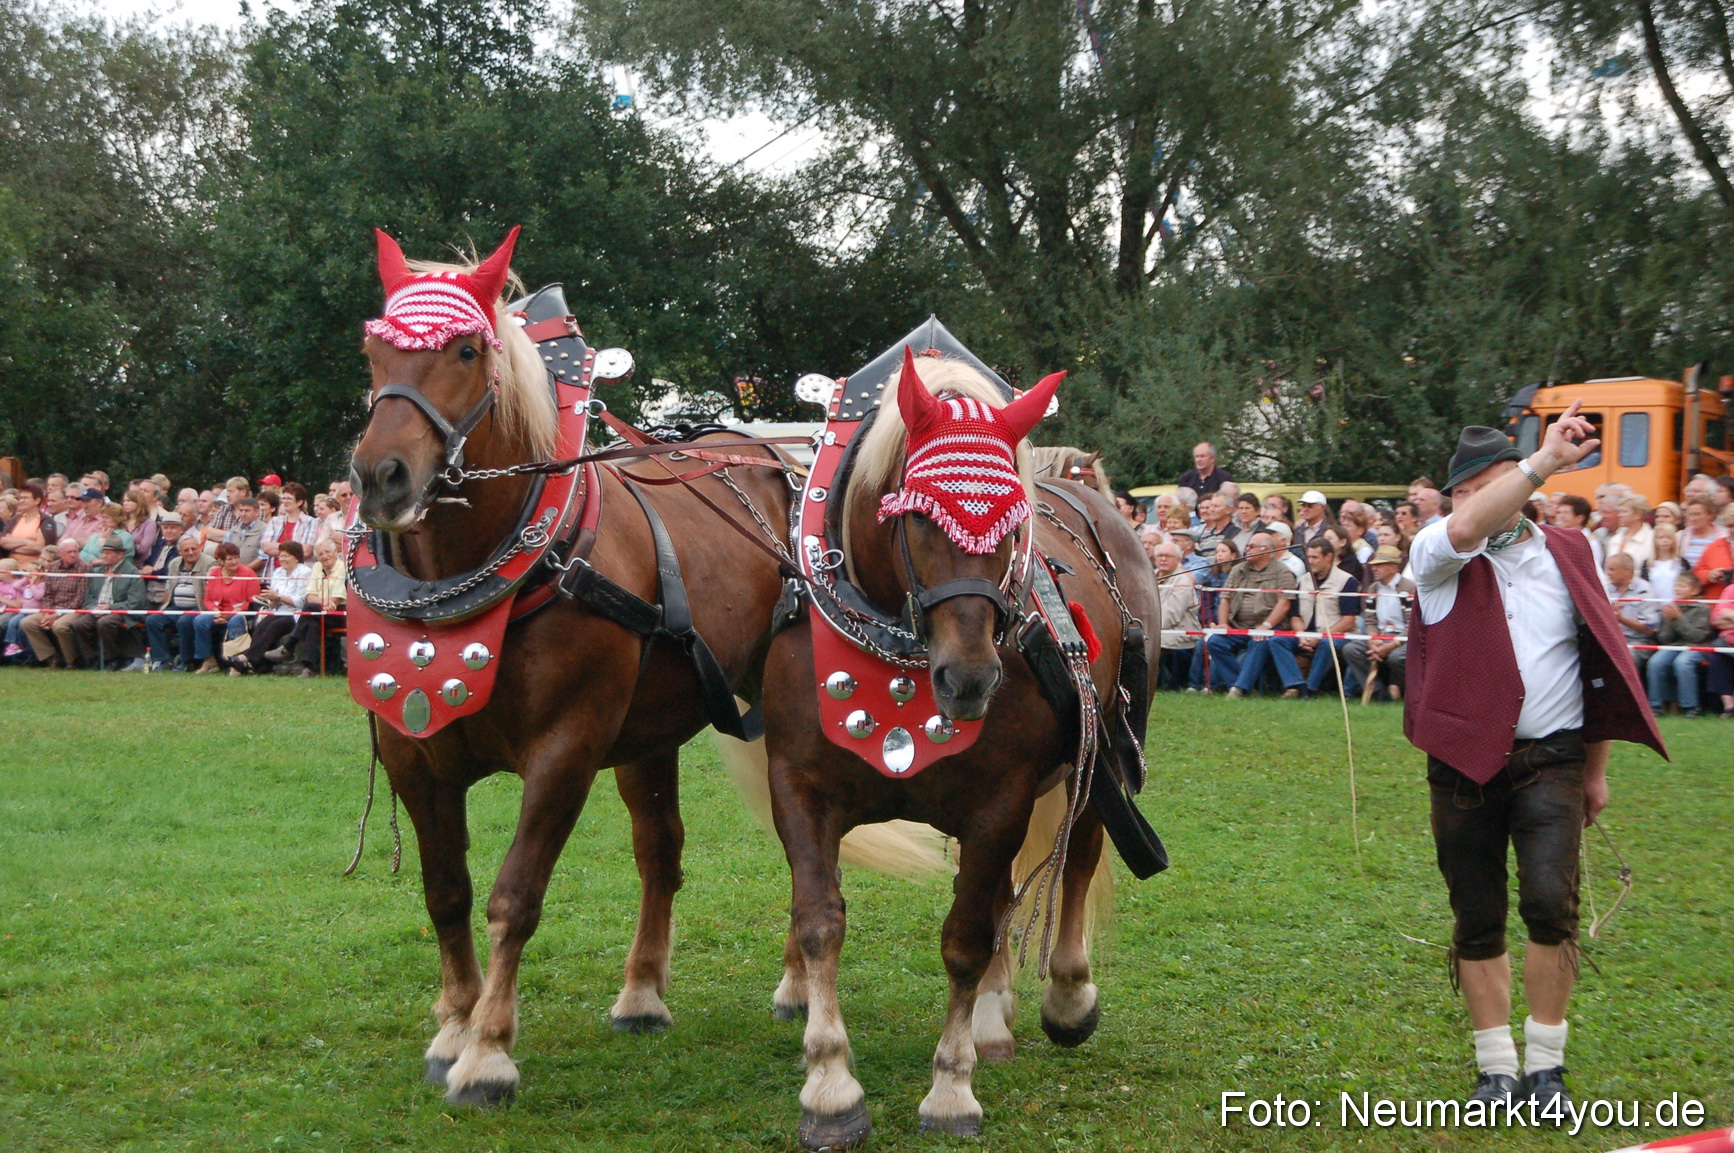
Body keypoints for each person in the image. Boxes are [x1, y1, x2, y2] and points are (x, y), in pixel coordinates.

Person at [1406, 411, 1665, 1114]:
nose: (1476, 502)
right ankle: (1496, 1066)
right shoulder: (1438, 545)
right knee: (1477, 915)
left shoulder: (1569, 550)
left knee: (1553, 905)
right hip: (1463, 761)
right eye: (1467, 490)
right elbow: (1464, 530)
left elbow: (1599, 661)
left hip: (1554, 753)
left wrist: (1596, 769)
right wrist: (1541, 460)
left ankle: (1546, 1065)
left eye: (1489, 487)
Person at [1206, 530, 1302, 697]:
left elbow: (1284, 603)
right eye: (1247, 546)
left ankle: (1239, 689)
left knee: (1261, 640)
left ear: (1265, 549)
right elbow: (1225, 598)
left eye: (1251, 546)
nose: (1247, 549)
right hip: (1239, 626)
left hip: (1271, 627)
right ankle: (1241, 686)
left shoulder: (1283, 572)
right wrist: (1223, 623)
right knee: (1215, 641)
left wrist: (1266, 626)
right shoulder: (1238, 570)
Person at [1292, 538, 1360, 697]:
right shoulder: (1303, 580)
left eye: (1315, 557)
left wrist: (1320, 637)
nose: (1310, 561)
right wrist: (1302, 636)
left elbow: (1349, 620)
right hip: (1306, 634)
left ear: (1329, 557)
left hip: (1335, 635)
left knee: (1325, 644)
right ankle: (1294, 684)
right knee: (1276, 641)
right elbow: (1295, 616)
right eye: (1308, 557)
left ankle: (1310, 689)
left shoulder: (1346, 581)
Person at [67, 533, 147, 669]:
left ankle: (112, 659)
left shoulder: (132, 573)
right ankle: (93, 658)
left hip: (121, 612)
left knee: (105, 623)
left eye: (108, 553)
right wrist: (94, 608)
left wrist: (110, 607)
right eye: (103, 552)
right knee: (79, 624)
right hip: (98, 610)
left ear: (120, 555)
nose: (104, 556)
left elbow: (135, 602)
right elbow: (89, 597)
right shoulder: (98, 572)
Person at [1344, 544, 1412, 700]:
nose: (1374, 569)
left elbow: (1412, 624)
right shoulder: (1374, 588)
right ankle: (1379, 694)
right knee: (1351, 649)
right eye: (1374, 565)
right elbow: (1370, 618)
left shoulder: (1408, 588)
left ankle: (1410, 693)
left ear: (1393, 568)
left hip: (1404, 638)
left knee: (1397, 658)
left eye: (1379, 565)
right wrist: (1373, 638)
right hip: (1381, 636)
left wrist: (1392, 644)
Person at [235, 540, 311, 675]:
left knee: (274, 627)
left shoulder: (305, 573)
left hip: (296, 614)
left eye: (286, 555)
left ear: (296, 557)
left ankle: (248, 659)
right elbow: (275, 601)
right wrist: (270, 600)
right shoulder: (278, 572)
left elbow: (301, 602)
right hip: (278, 610)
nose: (282, 558)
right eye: (281, 555)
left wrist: (278, 597)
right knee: (262, 625)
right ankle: (255, 664)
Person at [144, 534, 215, 671]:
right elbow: (168, 589)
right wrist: (164, 608)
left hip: (198, 608)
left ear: (200, 547)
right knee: (153, 620)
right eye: (186, 550)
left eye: (194, 549)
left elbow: (210, 591)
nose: (190, 553)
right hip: (175, 607)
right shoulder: (174, 563)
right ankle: (163, 661)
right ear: (179, 552)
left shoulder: (210, 563)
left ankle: (186, 661)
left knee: (185, 620)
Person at [188, 541, 260, 674]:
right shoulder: (214, 573)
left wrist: (229, 614)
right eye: (230, 559)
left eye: (236, 557)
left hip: (241, 613)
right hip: (218, 613)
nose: (234, 561)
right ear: (221, 561)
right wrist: (216, 612)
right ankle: (209, 661)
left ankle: (236, 663)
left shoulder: (248, 574)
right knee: (200, 620)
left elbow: (252, 601)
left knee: (235, 621)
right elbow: (208, 599)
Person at [1648, 571, 1713, 717]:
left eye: (1682, 586)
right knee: (1656, 662)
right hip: (1676, 644)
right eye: (1676, 586)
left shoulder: (1702, 608)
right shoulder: (1672, 606)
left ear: (1695, 590)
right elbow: (1664, 638)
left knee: (1683, 662)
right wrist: (1669, 621)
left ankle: (1691, 706)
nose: (1677, 589)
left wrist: (1679, 618)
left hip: (1699, 647)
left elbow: (1697, 636)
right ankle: (1656, 705)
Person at [20, 538, 92, 667]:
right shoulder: (53, 567)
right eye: (69, 552)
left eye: (75, 551)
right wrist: (48, 612)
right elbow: (47, 593)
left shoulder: (85, 568)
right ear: (60, 553)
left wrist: (58, 614)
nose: (73, 555)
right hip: (53, 608)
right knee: (27, 623)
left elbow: (80, 598)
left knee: (60, 626)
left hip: (74, 609)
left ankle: (72, 661)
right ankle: (51, 657)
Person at [1151, 541, 1199, 690]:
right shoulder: (1150, 576)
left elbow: (1172, 614)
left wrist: (1149, 630)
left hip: (1179, 631)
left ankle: (1160, 684)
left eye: (1168, 556)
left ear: (1178, 559)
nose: (1163, 559)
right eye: (1160, 555)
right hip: (1156, 628)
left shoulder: (1183, 580)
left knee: (1151, 642)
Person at [1602, 553, 1658, 678]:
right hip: (1611, 640)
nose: (1608, 573)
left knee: (1625, 658)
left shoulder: (1645, 591)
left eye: (1612, 569)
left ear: (1627, 570)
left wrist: (1621, 619)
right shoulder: (1606, 589)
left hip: (1638, 642)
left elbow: (1651, 629)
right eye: (1607, 569)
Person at [1685, 494, 1731, 597]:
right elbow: (1697, 570)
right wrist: (1708, 575)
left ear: (1710, 515)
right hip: (1687, 589)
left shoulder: (1723, 537)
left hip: (1716, 592)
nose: (1693, 518)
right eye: (1690, 514)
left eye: (1697, 514)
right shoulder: (1681, 537)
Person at [0, 482, 55, 560]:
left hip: (34, 566)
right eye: (21, 498)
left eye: (25, 498)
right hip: (11, 565)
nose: (21, 501)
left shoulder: (45, 521)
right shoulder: (15, 519)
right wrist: (28, 542)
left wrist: (13, 544)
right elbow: (2, 542)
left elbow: (39, 547)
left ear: (37, 501)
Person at [1550, 495, 1605, 570]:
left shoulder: (1591, 543)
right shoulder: (1554, 539)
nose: (1559, 516)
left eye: (1565, 513)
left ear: (1580, 518)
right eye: (1558, 513)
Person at [1605, 495, 1655, 571]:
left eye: (1624, 512)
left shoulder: (1652, 538)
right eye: (1619, 512)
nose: (1619, 515)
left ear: (1639, 514)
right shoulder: (1615, 539)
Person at [223, 498, 265, 570]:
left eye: (247, 511)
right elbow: (223, 553)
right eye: (241, 510)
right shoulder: (233, 530)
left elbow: (263, 558)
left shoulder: (264, 530)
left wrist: (243, 572)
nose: (243, 514)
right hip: (233, 575)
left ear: (257, 512)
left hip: (255, 577)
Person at [1291, 490, 1334, 557]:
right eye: (1303, 505)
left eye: (1310, 506)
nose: (1305, 509)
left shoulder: (1329, 531)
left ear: (1322, 508)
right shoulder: (1297, 530)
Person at [1647, 525, 1684, 598]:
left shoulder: (1681, 562)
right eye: (1661, 537)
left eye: (1668, 537)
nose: (1665, 541)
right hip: (1653, 606)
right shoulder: (1647, 564)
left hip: (1676, 605)